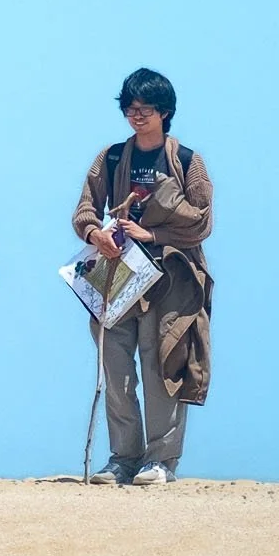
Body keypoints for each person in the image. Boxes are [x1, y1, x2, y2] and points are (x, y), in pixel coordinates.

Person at [71, 69, 213, 484]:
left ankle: (161, 460)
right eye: (130, 109)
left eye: (145, 110)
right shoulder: (111, 157)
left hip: (170, 279)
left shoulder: (187, 161)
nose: (136, 116)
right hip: (117, 273)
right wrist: (96, 234)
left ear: (165, 112)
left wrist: (152, 234)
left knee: (162, 364)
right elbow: (84, 208)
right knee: (115, 366)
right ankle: (122, 458)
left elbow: (202, 222)